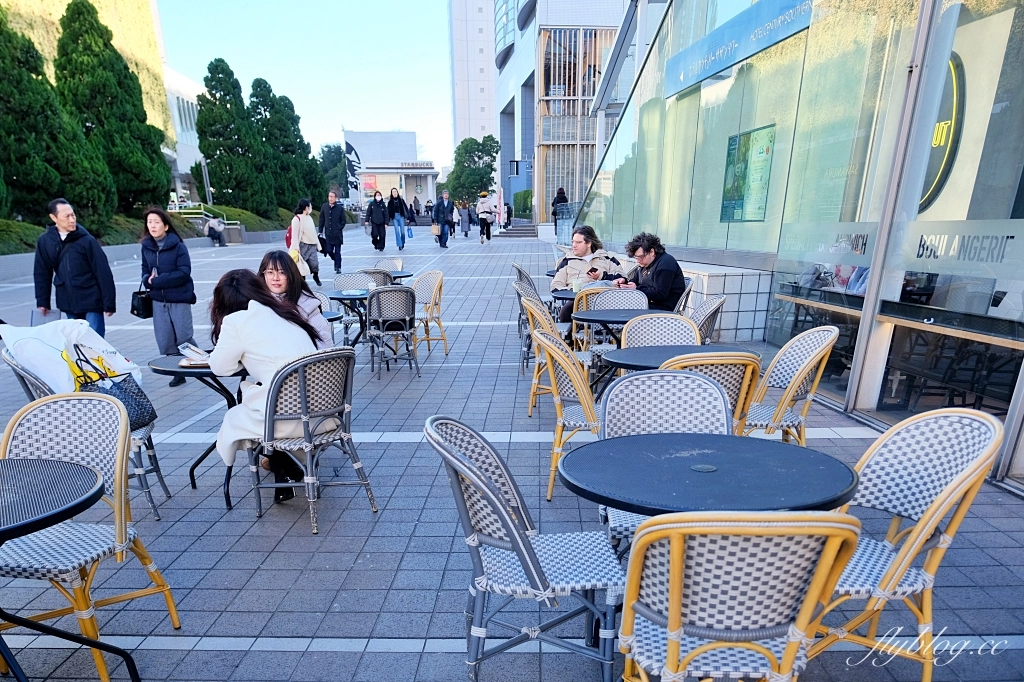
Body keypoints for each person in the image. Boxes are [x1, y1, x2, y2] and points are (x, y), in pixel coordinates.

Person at [208, 269, 325, 502]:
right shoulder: (284, 311)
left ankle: (281, 467)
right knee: (264, 400)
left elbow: (220, 367)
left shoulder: (236, 321)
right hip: (324, 414)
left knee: (239, 413)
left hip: (288, 419)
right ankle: (287, 467)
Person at [34, 198, 116, 337]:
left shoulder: (87, 240)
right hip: (67, 300)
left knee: (94, 341)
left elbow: (102, 271)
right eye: (67, 216)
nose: (72, 220)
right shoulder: (45, 241)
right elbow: (42, 272)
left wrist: (109, 303)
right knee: (75, 342)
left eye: (73, 215)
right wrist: (43, 301)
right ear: (53, 217)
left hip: (91, 299)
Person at [140, 207, 198, 386]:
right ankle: (177, 372)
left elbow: (184, 272)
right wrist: (147, 281)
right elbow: (144, 270)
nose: (152, 225)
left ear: (165, 226)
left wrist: (158, 281)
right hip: (158, 300)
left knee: (184, 336)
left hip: (179, 298)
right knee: (165, 338)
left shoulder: (178, 246)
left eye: (156, 222)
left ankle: (200, 362)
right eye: (150, 222)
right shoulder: (146, 246)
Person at [258, 250, 332, 350]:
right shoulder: (255, 304)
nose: (275, 278)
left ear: (291, 275)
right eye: (270, 272)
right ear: (264, 275)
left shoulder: (307, 304)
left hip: (302, 362)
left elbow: (324, 345)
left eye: (282, 272)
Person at [551, 226, 625, 322]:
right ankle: (571, 336)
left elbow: (623, 279)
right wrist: (575, 290)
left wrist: (602, 276)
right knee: (565, 312)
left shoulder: (607, 258)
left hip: (607, 302)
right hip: (578, 301)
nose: (574, 245)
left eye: (578, 242)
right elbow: (555, 286)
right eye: (573, 242)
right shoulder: (568, 261)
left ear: (589, 243)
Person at [607, 232, 689, 311]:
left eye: (640, 257)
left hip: (661, 309)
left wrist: (637, 289)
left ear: (652, 252)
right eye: (636, 257)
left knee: (616, 307)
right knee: (610, 302)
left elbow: (660, 294)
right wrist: (624, 282)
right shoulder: (646, 263)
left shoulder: (665, 265)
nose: (638, 261)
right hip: (646, 304)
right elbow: (635, 281)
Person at [291, 198, 322, 286]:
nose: (311, 207)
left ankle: (316, 276)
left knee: (314, 264)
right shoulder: (296, 219)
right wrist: (296, 248)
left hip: (312, 246)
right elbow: (295, 235)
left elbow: (313, 233)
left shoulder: (309, 218)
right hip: (302, 246)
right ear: (306, 207)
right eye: (310, 206)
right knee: (302, 266)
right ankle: (303, 284)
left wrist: (318, 246)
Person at [318, 190, 346, 274]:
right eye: (329, 196)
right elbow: (321, 219)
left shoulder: (340, 208)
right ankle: (336, 260)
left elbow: (343, 220)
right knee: (329, 250)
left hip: (337, 234)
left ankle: (338, 267)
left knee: (338, 251)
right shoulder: (324, 206)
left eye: (332, 197)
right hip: (328, 234)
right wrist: (320, 231)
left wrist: (339, 228)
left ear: (335, 198)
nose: (330, 198)